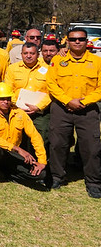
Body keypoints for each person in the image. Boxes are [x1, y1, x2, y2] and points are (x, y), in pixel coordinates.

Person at [46, 27, 101, 198]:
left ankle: (93, 182)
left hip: (88, 109)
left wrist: (83, 102)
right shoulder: (57, 60)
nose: (77, 42)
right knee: (57, 144)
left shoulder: (97, 62)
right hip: (61, 108)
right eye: (73, 39)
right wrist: (67, 100)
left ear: (87, 41)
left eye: (81, 39)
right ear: (67, 41)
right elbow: (51, 83)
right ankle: (57, 176)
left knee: (91, 146)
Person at [0, 82, 47, 189]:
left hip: (13, 154)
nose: (6, 102)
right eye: (2, 99)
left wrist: (42, 161)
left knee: (41, 174)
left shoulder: (19, 113)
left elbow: (35, 135)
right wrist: (17, 149)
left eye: (8, 98)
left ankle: (8, 174)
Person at [5, 41, 51, 148]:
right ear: (21, 55)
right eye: (25, 53)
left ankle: (39, 161)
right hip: (17, 109)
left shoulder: (48, 70)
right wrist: (17, 105)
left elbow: (51, 92)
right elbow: (8, 90)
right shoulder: (12, 69)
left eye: (32, 53)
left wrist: (38, 107)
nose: (28, 56)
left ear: (38, 54)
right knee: (16, 137)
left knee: (41, 137)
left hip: (39, 112)